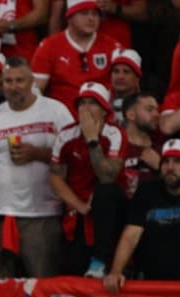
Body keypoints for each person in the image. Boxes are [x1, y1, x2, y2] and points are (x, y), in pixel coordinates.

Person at [0, 57, 73, 277]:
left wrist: (37, 153)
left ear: (31, 81)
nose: (13, 86)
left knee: (41, 285)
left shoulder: (56, 111)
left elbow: (73, 158)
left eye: (19, 80)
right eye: (8, 81)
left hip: (41, 214)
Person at [48, 82, 126, 277]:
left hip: (110, 211)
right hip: (78, 209)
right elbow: (56, 177)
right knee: (73, 269)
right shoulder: (66, 135)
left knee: (104, 191)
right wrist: (79, 205)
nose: (85, 108)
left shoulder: (115, 134)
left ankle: (100, 261)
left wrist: (92, 140)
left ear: (105, 110)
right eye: (82, 103)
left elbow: (107, 176)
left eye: (93, 103)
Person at [103, 139, 180, 290]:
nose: (170, 167)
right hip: (152, 285)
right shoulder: (147, 192)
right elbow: (131, 234)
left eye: (178, 162)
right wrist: (116, 271)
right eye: (165, 162)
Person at [30, 0, 120, 114]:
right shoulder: (49, 46)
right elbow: (35, 90)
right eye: (84, 13)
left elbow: (128, 88)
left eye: (95, 14)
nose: (91, 18)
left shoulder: (112, 47)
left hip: (104, 119)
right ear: (70, 17)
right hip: (62, 120)